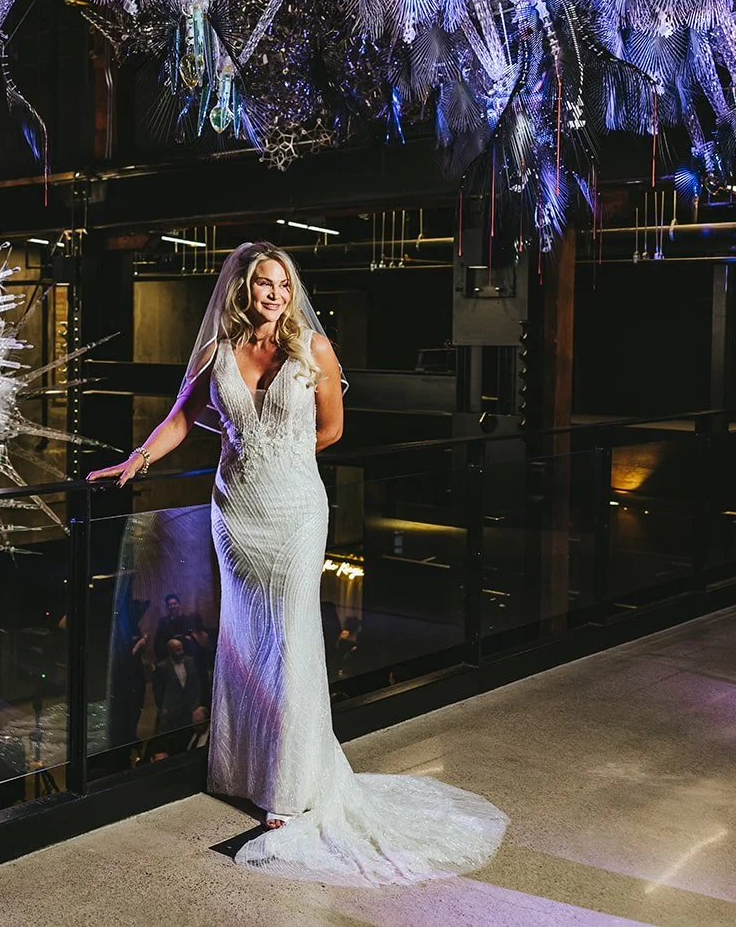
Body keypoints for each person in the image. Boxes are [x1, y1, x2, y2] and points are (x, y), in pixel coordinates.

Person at [88, 242, 506, 886]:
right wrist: (136, 460)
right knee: (243, 640)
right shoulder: (217, 351)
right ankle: (243, 768)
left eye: (284, 284)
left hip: (294, 512)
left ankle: (288, 783)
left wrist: (277, 453)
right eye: (265, 282)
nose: (276, 293)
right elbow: (181, 419)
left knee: (290, 638)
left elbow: (332, 429)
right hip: (235, 514)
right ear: (243, 288)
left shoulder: (314, 349)